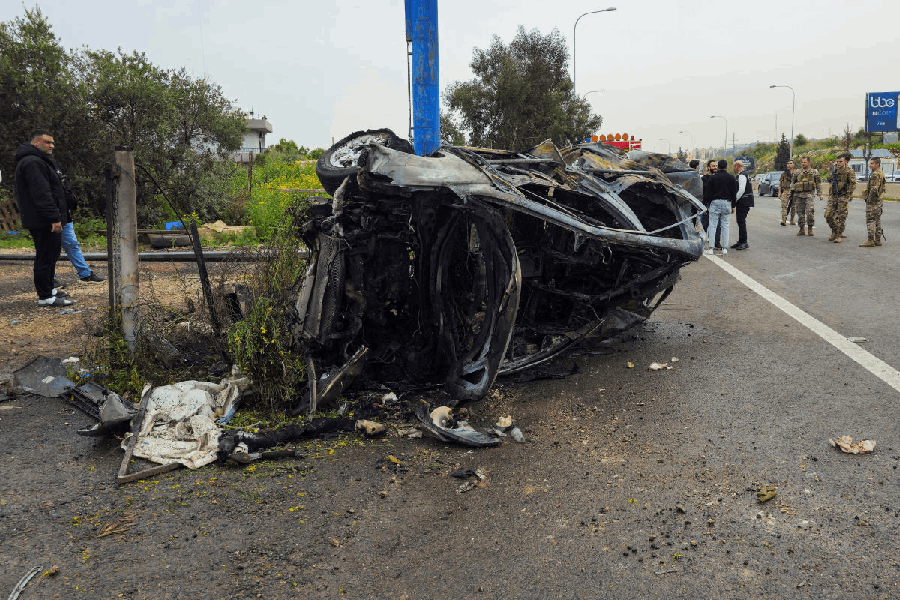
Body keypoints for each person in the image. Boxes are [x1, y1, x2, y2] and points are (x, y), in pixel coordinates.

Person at [13, 130, 74, 306]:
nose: (52, 146)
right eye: (47, 142)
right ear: (36, 142)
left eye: (53, 143)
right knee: (45, 256)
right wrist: (54, 218)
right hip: (43, 220)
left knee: (51, 254)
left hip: (44, 218)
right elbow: (42, 194)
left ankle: (50, 288)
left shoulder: (39, 161)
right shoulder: (32, 162)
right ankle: (45, 297)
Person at [54, 165, 105, 283]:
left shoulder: (62, 189)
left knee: (72, 245)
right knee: (50, 249)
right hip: (52, 220)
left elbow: (72, 202)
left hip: (65, 219)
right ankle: (50, 279)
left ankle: (85, 273)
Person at [705, 159, 736, 255]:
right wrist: (733, 206)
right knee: (725, 225)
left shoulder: (713, 178)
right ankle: (725, 248)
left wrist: (708, 204)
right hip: (727, 202)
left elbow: (708, 192)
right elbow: (733, 193)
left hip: (715, 202)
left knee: (713, 225)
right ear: (727, 167)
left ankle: (710, 248)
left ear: (717, 167)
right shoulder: (731, 178)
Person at [825, 153, 856, 243]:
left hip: (843, 196)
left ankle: (838, 235)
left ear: (845, 162)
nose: (838, 163)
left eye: (840, 161)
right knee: (828, 215)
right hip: (833, 196)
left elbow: (852, 184)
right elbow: (829, 179)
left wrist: (848, 195)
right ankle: (835, 230)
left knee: (841, 217)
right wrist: (831, 170)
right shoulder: (835, 171)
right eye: (837, 161)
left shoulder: (849, 172)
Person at [790, 156, 822, 237]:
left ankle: (810, 228)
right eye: (802, 162)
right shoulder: (797, 172)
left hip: (809, 195)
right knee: (800, 213)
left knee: (810, 212)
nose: (803, 164)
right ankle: (802, 229)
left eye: (805, 162)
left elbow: (818, 183)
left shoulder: (814, 172)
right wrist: (791, 193)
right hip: (799, 195)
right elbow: (793, 183)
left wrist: (820, 194)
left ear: (808, 162)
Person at [859, 157, 885, 247]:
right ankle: (878, 240)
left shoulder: (875, 174)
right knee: (877, 220)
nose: (870, 165)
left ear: (877, 164)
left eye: (872, 163)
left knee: (870, 220)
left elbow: (874, 189)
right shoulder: (881, 173)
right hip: (879, 200)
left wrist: (869, 199)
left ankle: (870, 240)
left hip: (873, 201)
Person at [731, 160, 753, 250]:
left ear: (736, 166)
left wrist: (734, 200)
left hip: (744, 201)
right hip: (744, 201)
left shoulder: (742, 176)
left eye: (733, 166)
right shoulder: (742, 175)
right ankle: (741, 241)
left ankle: (744, 242)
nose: (733, 168)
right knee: (740, 221)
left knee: (741, 221)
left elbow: (741, 190)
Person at [701, 159, 721, 249]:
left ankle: (717, 243)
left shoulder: (719, 178)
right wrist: (704, 205)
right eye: (713, 166)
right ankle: (702, 243)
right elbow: (703, 192)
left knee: (718, 224)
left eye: (716, 166)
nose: (716, 167)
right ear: (708, 168)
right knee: (705, 224)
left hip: (717, 204)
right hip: (707, 204)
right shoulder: (703, 179)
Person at [778, 160, 796, 226]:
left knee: (793, 207)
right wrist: (779, 193)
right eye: (788, 163)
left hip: (794, 192)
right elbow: (780, 184)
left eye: (790, 163)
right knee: (784, 206)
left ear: (794, 165)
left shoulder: (797, 173)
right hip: (786, 191)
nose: (789, 165)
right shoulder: (784, 174)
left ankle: (792, 220)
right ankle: (784, 220)